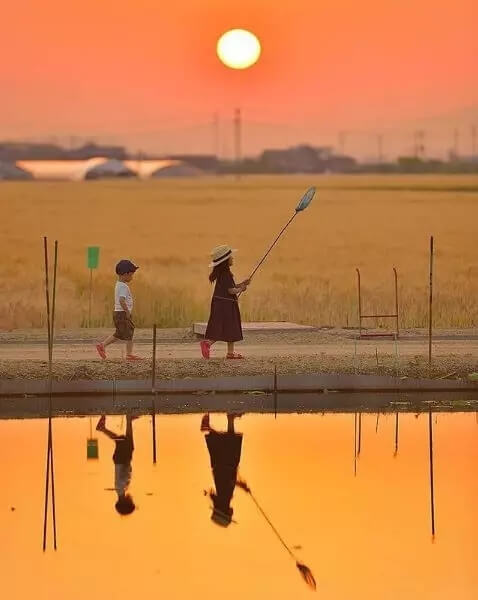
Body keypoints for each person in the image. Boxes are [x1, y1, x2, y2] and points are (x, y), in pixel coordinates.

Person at [200, 245, 250, 360]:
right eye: (231, 257)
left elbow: (231, 286)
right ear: (226, 260)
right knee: (222, 326)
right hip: (225, 305)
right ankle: (207, 343)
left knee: (230, 326)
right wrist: (241, 289)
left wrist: (243, 284)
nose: (233, 258)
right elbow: (231, 290)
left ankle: (230, 353)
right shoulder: (226, 274)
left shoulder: (224, 273)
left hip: (223, 303)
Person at [202, 413, 243, 527]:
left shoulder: (225, 498)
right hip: (220, 468)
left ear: (225, 511)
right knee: (228, 442)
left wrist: (242, 486)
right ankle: (229, 419)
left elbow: (230, 482)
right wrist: (241, 485)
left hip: (226, 467)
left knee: (229, 442)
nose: (232, 513)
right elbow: (230, 482)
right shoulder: (222, 499)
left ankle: (211, 425)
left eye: (229, 515)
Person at [96, 259, 142, 361]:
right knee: (129, 331)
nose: (132, 277)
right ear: (125, 274)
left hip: (118, 313)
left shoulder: (118, 284)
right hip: (122, 313)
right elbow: (122, 300)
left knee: (119, 333)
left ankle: (102, 345)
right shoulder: (123, 286)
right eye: (131, 275)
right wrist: (127, 311)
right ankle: (129, 354)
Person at [96, 414, 137, 515]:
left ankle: (127, 420)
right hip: (121, 460)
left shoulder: (121, 488)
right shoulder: (120, 489)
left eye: (131, 502)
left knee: (126, 442)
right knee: (125, 441)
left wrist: (127, 462)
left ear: (125, 502)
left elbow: (124, 473)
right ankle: (128, 420)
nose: (132, 500)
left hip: (122, 460)